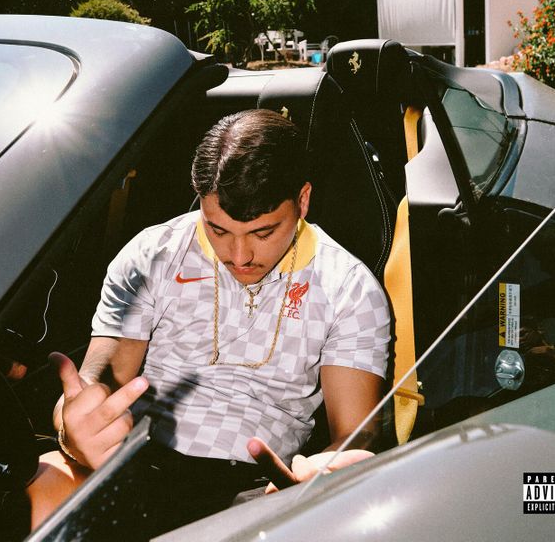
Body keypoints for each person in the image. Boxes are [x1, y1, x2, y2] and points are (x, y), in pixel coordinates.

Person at [48, 109, 390, 536]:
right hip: (139, 460)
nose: (240, 256)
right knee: (43, 485)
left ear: (302, 201)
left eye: (263, 233)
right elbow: (96, 385)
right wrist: (72, 425)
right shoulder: (153, 254)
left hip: (256, 483)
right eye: (219, 230)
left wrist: (326, 470)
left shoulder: (349, 286)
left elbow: (356, 433)